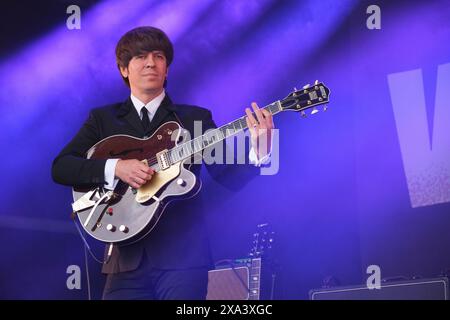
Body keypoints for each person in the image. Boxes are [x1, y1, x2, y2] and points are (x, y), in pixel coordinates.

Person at [52, 26, 274, 300]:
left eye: (158, 56)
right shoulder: (103, 119)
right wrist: (116, 167)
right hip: (125, 260)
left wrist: (260, 150)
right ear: (124, 69)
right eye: (140, 56)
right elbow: (61, 167)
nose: (150, 62)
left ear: (166, 68)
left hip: (183, 258)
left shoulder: (194, 118)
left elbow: (226, 175)